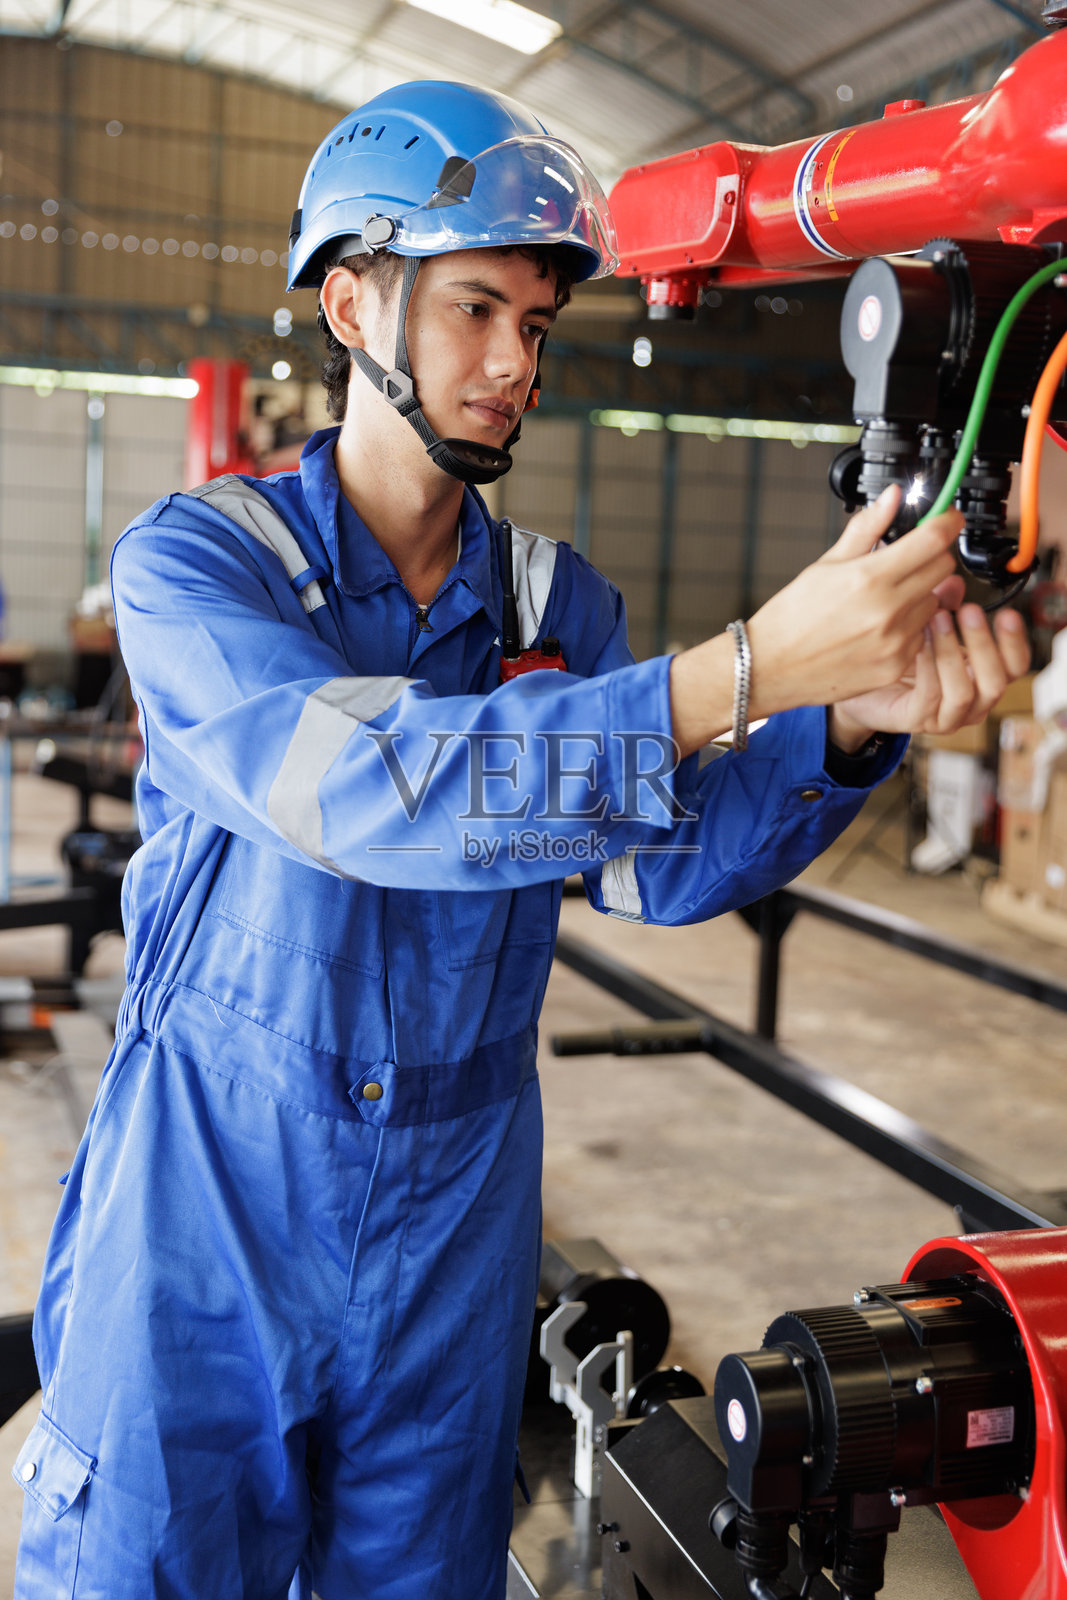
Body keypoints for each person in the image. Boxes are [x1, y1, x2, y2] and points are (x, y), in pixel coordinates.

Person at [13, 80, 1028, 1600]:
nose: (511, 366)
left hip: (456, 1221)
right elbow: (362, 788)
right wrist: (745, 668)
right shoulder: (206, 565)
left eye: (539, 328)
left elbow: (658, 861)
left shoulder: (557, 614)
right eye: (477, 307)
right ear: (354, 302)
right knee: (146, 1565)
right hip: (210, 1205)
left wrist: (852, 716)